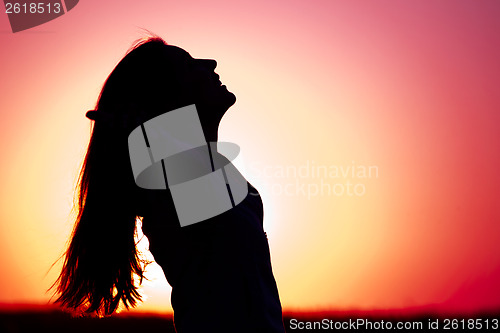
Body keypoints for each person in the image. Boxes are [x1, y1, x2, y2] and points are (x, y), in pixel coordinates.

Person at [52, 36, 286, 333]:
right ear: (169, 98)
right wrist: (147, 129)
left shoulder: (205, 171)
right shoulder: (172, 184)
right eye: (188, 65)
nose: (210, 63)